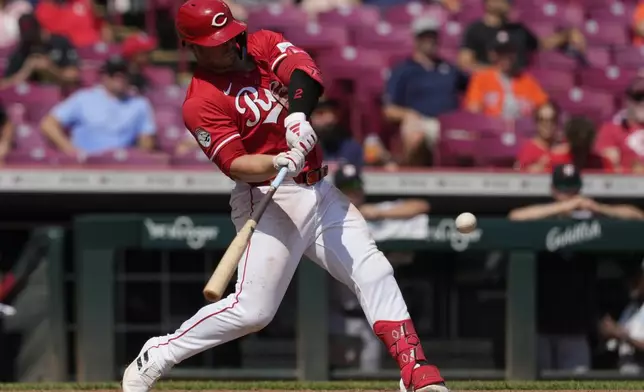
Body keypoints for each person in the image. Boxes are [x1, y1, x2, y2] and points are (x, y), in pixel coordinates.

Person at [121, 2, 449, 392]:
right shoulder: (200, 100)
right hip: (267, 198)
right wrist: (278, 159)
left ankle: (415, 370)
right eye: (216, 41)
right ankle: (158, 353)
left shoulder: (260, 44)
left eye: (229, 35)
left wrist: (297, 116)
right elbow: (236, 164)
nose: (229, 45)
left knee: (373, 270)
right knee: (253, 311)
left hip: (319, 190)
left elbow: (304, 72)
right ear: (192, 46)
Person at [509, 164, 644, 373]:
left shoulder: (590, 220)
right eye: (563, 191)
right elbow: (515, 217)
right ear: (553, 190)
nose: (569, 196)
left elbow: (637, 217)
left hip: (576, 328)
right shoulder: (543, 218)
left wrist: (597, 208)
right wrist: (563, 208)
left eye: (572, 191)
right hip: (539, 326)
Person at [329, 163, 432, 373]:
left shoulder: (376, 215)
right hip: (332, 317)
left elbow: (421, 205)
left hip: (369, 321)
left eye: (356, 185)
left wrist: (377, 213)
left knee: (366, 378)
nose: (353, 192)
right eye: (346, 188)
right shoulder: (326, 218)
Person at [384, 16, 468, 166]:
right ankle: (409, 177)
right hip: (421, 121)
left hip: (450, 124)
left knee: (471, 135)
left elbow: (472, 88)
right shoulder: (403, 70)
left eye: (433, 36)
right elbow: (389, 110)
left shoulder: (449, 69)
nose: (430, 41)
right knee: (415, 134)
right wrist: (409, 114)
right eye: (425, 36)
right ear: (416, 39)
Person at [40, 56, 156, 157]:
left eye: (123, 73)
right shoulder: (83, 98)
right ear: (104, 76)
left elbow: (146, 140)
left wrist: (138, 159)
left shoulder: (140, 104)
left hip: (122, 166)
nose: (119, 77)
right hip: (86, 164)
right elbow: (48, 124)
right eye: (113, 73)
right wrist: (70, 150)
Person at [458, 0, 582, 73]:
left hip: (519, 87)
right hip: (491, 90)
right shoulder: (475, 30)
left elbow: (541, 44)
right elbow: (465, 63)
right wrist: (496, 74)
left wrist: (566, 35)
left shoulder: (518, 30)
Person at [464, 31, 548, 120]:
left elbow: (545, 109)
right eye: (501, 52)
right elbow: (473, 111)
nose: (505, 56)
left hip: (521, 130)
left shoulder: (528, 81)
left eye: (509, 51)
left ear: (515, 54)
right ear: (493, 55)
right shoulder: (480, 79)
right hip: (491, 131)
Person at [1, 13, 80, 90]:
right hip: (33, 97)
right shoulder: (22, 50)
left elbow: (74, 75)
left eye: (32, 35)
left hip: (62, 94)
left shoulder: (60, 42)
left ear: (39, 29)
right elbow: (4, 84)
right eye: (27, 36)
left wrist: (50, 68)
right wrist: (27, 69)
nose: (31, 39)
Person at [596, 77, 644, 173]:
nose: (643, 102)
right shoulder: (610, 130)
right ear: (627, 100)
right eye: (638, 97)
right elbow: (611, 168)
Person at [311, 97, 363, 169]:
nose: (329, 118)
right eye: (320, 113)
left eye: (332, 112)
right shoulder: (299, 149)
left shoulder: (351, 148)